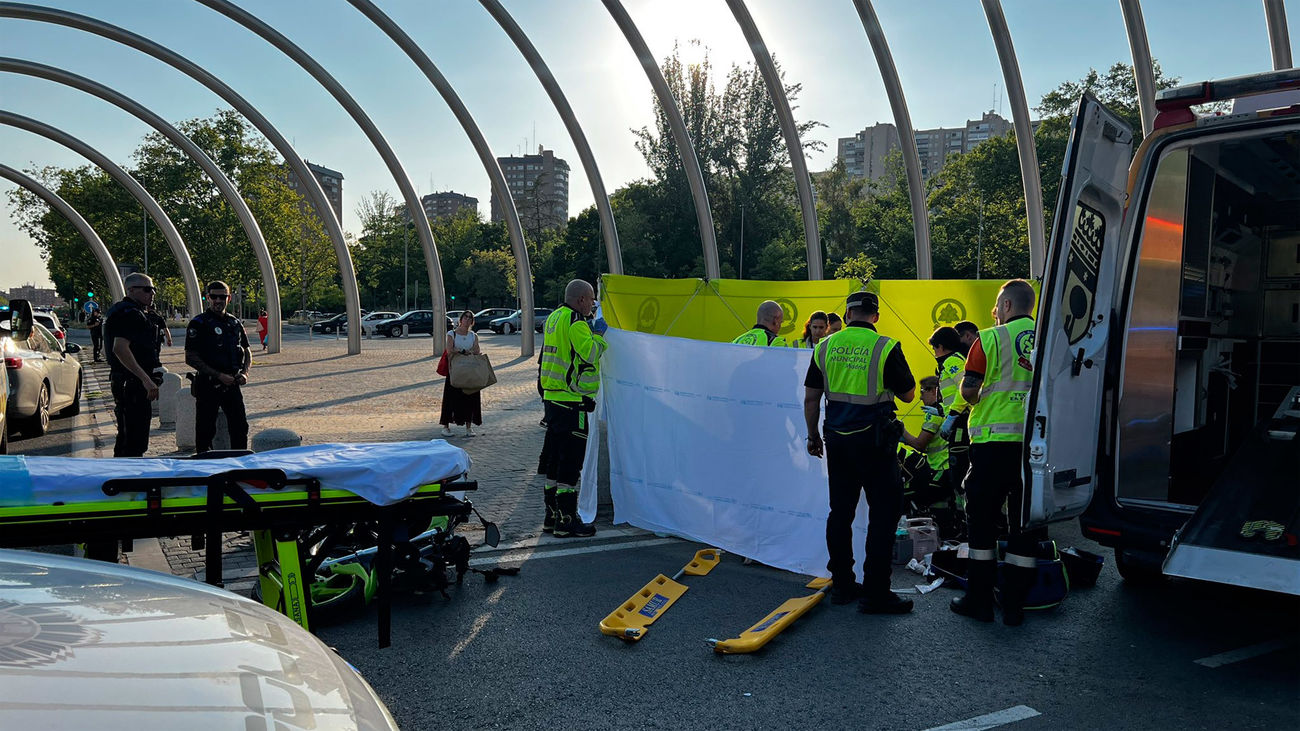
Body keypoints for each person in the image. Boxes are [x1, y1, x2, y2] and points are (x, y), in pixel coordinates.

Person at [804, 291, 916, 613]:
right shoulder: (885, 347)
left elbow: (812, 399)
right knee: (883, 515)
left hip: (837, 443)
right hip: (876, 444)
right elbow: (908, 395)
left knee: (840, 513)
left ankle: (842, 585)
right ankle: (876, 591)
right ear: (875, 316)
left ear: (848, 314)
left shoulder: (824, 347)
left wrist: (813, 437)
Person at [950, 279, 1041, 627]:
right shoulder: (1049, 338)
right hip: (1034, 443)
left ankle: (979, 600)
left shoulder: (989, 338)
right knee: (1024, 522)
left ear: (1005, 305)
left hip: (992, 442)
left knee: (982, 521)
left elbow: (970, 390)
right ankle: (1015, 605)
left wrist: (972, 397)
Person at [537, 279, 608, 538]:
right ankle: (567, 521)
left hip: (553, 400)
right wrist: (598, 336)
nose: (593, 304)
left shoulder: (554, 317)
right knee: (571, 464)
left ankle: (551, 516)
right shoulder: (577, 322)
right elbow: (588, 353)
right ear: (580, 300)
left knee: (554, 462)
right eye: (591, 299)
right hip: (572, 403)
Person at [186, 281, 251, 454]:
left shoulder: (234, 323)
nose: (218, 300)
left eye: (222, 297)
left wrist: (245, 373)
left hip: (232, 384)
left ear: (229, 298)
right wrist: (218, 375)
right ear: (207, 298)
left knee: (240, 428)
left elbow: (246, 350)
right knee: (205, 431)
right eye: (214, 296)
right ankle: (205, 470)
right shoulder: (199, 323)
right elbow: (190, 357)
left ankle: (239, 466)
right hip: (208, 384)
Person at [103, 273, 161, 457]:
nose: (151, 293)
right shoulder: (130, 313)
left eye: (153, 289)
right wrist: (146, 380)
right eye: (146, 289)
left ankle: (123, 479)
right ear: (131, 290)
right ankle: (128, 481)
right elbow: (120, 349)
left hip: (125, 381)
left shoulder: (119, 311)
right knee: (134, 441)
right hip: (132, 384)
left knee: (127, 438)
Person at [901, 376, 963, 538]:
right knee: (943, 508)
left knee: (910, 495)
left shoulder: (934, 414)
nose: (920, 397)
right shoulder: (947, 411)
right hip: (947, 470)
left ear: (934, 391)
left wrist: (901, 431)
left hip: (940, 471)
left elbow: (920, 444)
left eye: (923, 391)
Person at [930, 326, 970, 506]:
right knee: (957, 473)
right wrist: (941, 411)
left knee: (959, 472)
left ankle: (968, 520)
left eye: (934, 348)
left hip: (960, 422)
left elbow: (965, 386)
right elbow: (953, 394)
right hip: (956, 420)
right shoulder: (951, 361)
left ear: (942, 346)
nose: (934, 353)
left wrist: (952, 416)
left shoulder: (952, 361)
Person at [440, 310, 483, 437]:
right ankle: (445, 426)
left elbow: (477, 350)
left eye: (470, 318)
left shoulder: (473, 335)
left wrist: (471, 352)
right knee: (451, 397)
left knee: (470, 397)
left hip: (469, 371)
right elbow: (449, 350)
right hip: (455, 370)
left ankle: (469, 427)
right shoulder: (451, 334)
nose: (467, 320)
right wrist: (463, 351)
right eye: (465, 317)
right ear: (461, 319)